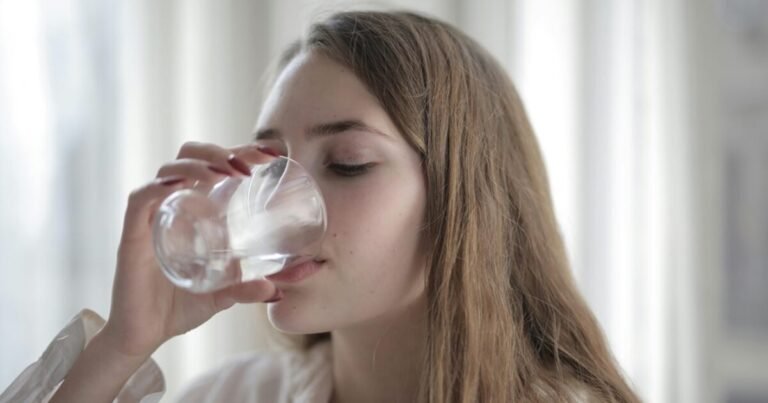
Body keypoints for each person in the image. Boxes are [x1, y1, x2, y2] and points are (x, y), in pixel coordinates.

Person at [2, 10, 641, 403]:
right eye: (267, 164)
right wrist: (121, 347)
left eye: (348, 164)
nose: (279, 200)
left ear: (461, 200)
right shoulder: (237, 396)